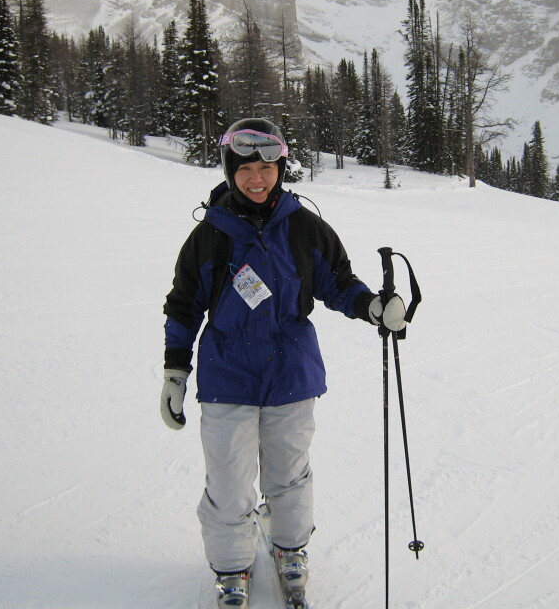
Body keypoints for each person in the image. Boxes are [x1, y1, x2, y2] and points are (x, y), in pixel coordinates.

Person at [160, 118, 407, 609]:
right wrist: (174, 371)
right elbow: (184, 306)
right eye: (247, 167)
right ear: (231, 170)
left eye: (267, 167)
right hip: (228, 370)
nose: (258, 178)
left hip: (290, 371)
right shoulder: (209, 236)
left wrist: (372, 307)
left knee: (289, 472)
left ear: (280, 169)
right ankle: (232, 569)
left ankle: (290, 548)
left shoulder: (305, 226)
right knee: (229, 478)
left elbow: (339, 282)